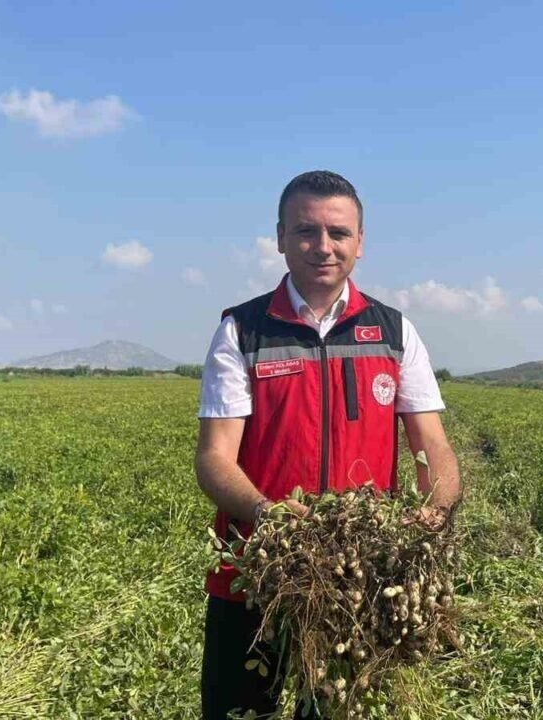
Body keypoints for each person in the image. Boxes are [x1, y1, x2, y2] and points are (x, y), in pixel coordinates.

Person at [194, 170, 461, 719]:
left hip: (358, 576)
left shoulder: (394, 332)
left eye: (338, 233)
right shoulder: (244, 331)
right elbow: (214, 457)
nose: (323, 246)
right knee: (239, 711)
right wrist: (268, 514)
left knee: (335, 710)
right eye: (305, 231)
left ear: (360, 242)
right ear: (280, 238)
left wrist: (434, 510)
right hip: (256, 571)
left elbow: (432, 444)